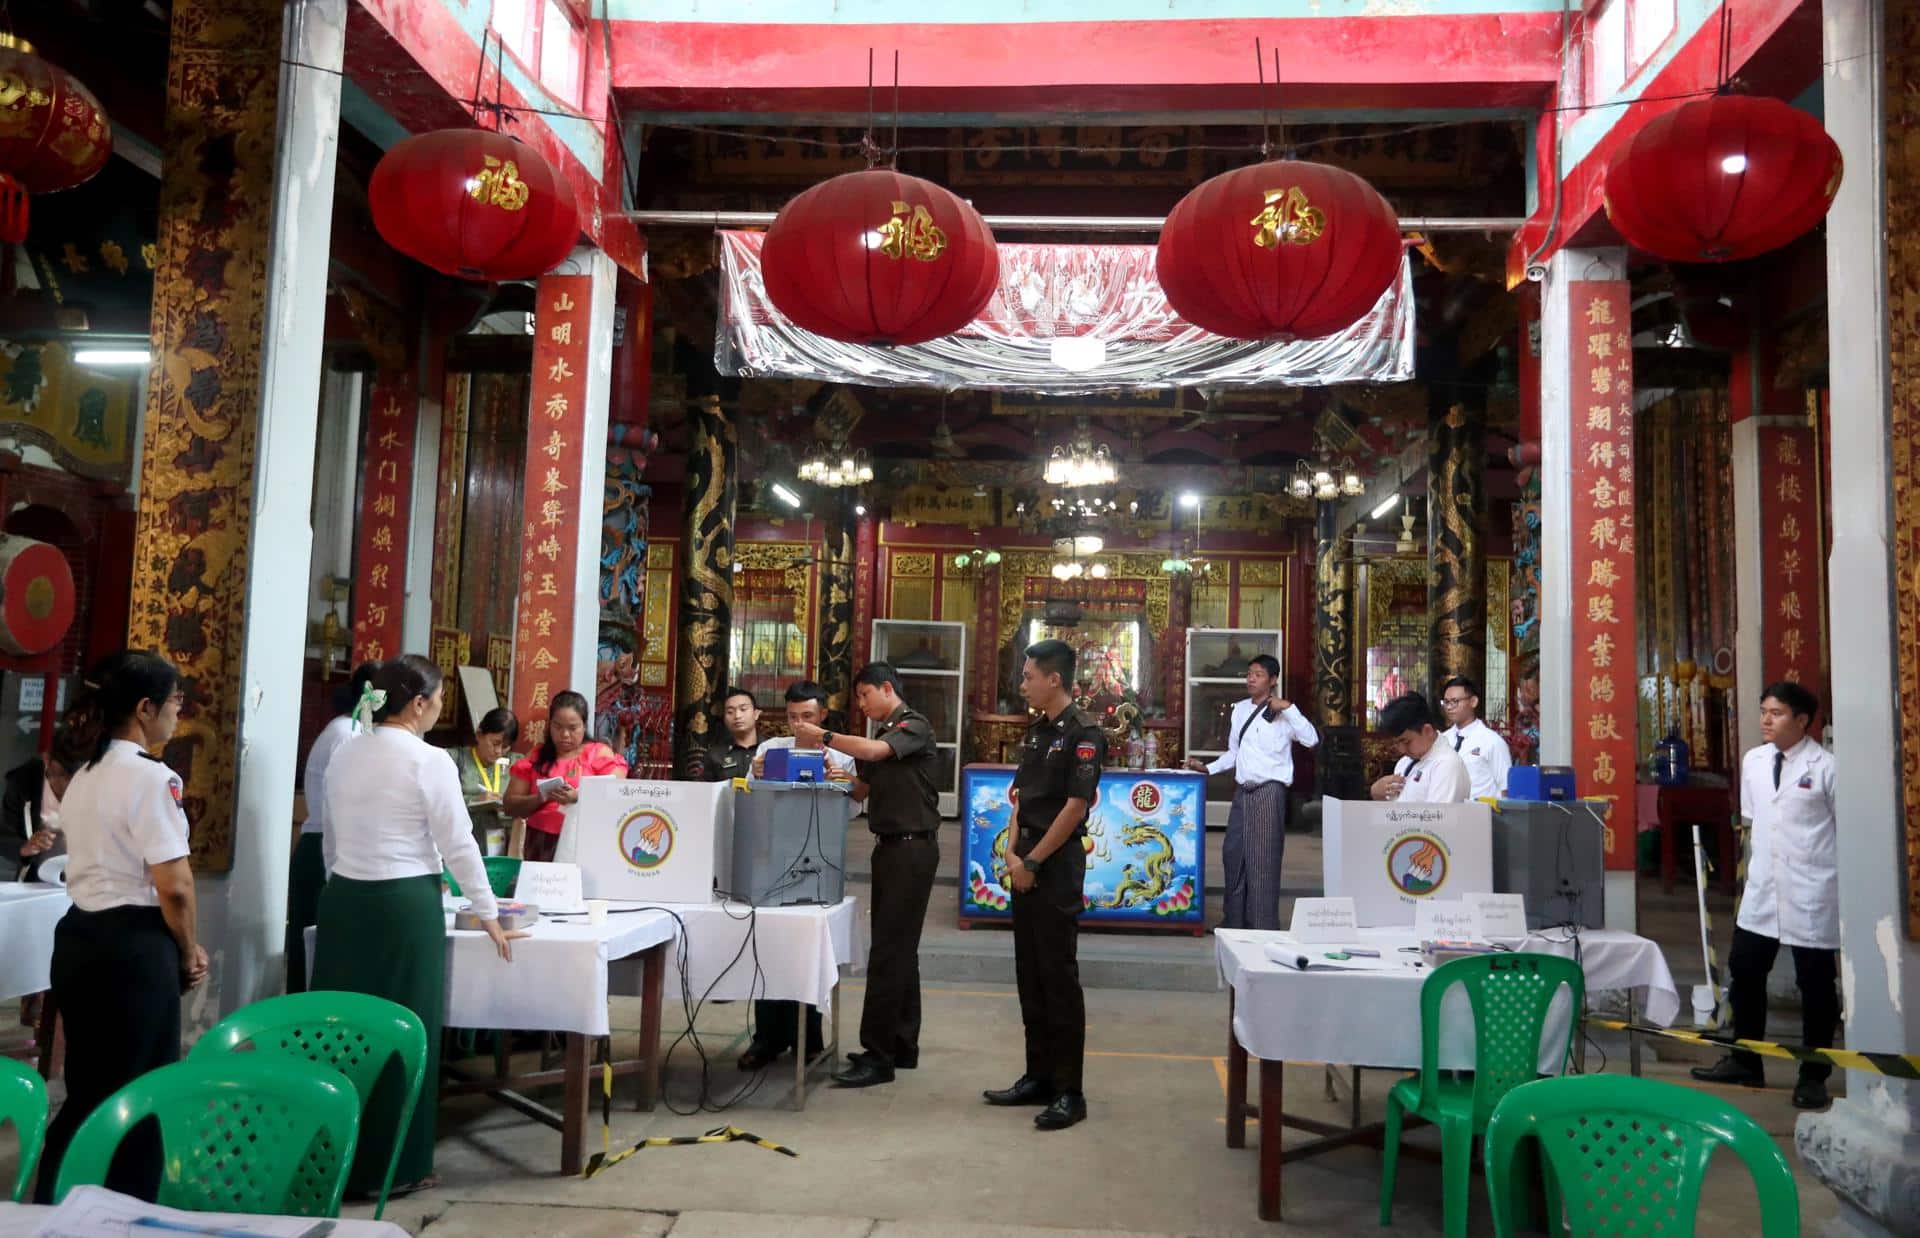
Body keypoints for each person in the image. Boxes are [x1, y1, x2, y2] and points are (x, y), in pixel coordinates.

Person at [313, 656, 520, 1197]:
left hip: (343, 902)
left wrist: (341, 884)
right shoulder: (429, 762)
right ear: (419, 703)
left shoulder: (343, 752)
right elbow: (458, 844)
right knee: (406, 1030)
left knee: (340, 1030)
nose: (442, 708)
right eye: (439, 698)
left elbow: (331, 840)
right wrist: (490, 912)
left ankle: (332, 1157)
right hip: (404, 906)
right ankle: (400, 1164)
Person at [36, 651, 205, 1202]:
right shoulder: (152, 777)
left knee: (88, 1085)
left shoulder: (84, 775)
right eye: (175, 701)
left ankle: (58, 1199)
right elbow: (174, 885)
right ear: (144, 707)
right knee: (141, 1088)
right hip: (133, 948)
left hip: (81, 939)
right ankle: (128, 1210)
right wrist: (188, 949)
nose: (178, 713)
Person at [1691, 682, 1840, 1110]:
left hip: (1812, 887)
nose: (1766, 720)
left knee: (1814, 983)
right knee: (1746, 971)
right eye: (1763, 712)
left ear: (1802, 721)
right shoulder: (1755, 761)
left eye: (1776, 713)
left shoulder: (1827, 767)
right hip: (1763, 889)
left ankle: (1813, 1075)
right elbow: (1755, 821)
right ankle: (1746, 1059)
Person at [792, 663, 939, 1088]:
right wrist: (832, 772)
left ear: (886, 688)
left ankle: (877, 1055)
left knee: (889, 951)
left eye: (863, 696)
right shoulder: (883, 738)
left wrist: (823, 736)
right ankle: (901, 1044)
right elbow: (862, 787)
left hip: (912, 848)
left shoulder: (913, 726)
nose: (860, 704)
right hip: (892, 848)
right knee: (901, 949)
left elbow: (873, 755)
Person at [984, 639, 1105, 1131]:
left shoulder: (1085, 733)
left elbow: (1076, 806)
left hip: (1054, 865)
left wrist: (1032, 859)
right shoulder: (1037, 732)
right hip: (1027, 861)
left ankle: (1069, 1090)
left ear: (1054, 679)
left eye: (1029, 675)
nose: (1023, 683)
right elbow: (1020, 800)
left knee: (1057, 976)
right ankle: (1037, 1075)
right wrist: (1013, 853)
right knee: (1029, 973)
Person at [735, 681, 855, 1072]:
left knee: (807, 956)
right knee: (768, 951)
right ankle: (767, 1038)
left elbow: (851, 813)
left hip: (820, 871)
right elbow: (751, 805)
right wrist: (754, 776)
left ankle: (809, 1039)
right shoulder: (770, 751)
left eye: (808, 716)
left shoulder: (842, 756)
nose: (800, 724)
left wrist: (841, 782)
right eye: (792, 717)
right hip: (771, 866)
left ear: (822, 716)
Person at [1186, 653, 1318, 930]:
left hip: (1269, 791)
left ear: (1273, 680)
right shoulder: (1240, 710)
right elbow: (1235, 753)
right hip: (1242, 793)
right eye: (1249, 674)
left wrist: (1289, 708)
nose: (1251, 679)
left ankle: (1262, 925)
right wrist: (1207, 769)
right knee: (1233, 854)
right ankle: (1234, 921)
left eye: (1258, 674)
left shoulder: (1284, 713)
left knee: (1262, 861)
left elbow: (1311, 739)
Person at [287, 659, 381, 993]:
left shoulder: (356, 730)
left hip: (334, 847)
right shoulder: (347, 734)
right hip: (324, 849)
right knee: (316, 954)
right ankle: (305, 1035)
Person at [503, 691, 628, 863]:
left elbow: (618, 794)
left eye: (573, 728)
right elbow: (509, 805)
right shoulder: (537, 755)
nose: (565, 734)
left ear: (584, 726)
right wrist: (540, 798)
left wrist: (578, 797)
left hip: (585, 841)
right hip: (540, 841)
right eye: (558, 727)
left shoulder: (598, 753)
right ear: (549, 725)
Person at [1, 727, 86, 882]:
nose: (64, 786)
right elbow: (4, 835)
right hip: (36, 880)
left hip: (87, 880)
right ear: (46, 758)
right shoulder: (22, 781)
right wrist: (25, 847)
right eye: (58, 774)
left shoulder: (97, 782)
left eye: (73, 778)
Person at [1369, 693, 1471, 804]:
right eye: (1396, 743)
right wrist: (1377, 793)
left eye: (1406, 742)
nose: (1402, 750)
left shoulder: (1448, 765)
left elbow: (1437, 818)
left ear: (1427, 730)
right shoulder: (1404, 762)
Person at [450, 707, 520, 857]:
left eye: (506, 746)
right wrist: (473, 800)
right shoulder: (455, 759)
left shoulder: (517, 763)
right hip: (463, 845)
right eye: (495, 743)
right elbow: (440, 800)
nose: (499, 751)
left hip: (505, 847)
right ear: (479, 735)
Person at [1437, 675, 1512, 800]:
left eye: (1455, 701)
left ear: (1473, 702)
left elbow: (1506, 788)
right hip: (1447, 812)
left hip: (1482, 814)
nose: (1449, 707)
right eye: (1446, 702)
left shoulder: (1492, 741)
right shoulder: (1443, 740)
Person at [700, 686, 762, 782]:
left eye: (743, 709)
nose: (737, 716)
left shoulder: (770, 749)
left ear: (756, 714)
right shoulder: (715, 755)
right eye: (730, 712)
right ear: (724, 718)